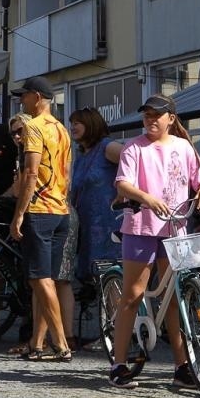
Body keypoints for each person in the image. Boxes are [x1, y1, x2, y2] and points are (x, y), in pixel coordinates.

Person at [106, 95, 200, 389]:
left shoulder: (184, 147)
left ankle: (181, 365)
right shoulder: (133, 148)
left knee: (175, 298)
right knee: (133, 295)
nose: (151, 120)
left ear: (170, 118)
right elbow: (123, 183)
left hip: (176, 228)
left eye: (157, 115)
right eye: (147, 115)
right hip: (141, 227)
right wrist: (147, 198)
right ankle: (119, 364)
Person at [9, 76, 75, 361]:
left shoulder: (33, 128)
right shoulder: (62, 130)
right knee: (44, 280)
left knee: (40, 279)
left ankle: (60, 344)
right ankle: (37, 343)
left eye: (24, 96)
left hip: (39, 210)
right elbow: (68, 174)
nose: (21, 100)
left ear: (37, 97)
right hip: (61, 210)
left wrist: (19, 214)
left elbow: (31, 174)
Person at [68, 107, 123, 299]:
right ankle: (110, 326)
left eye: (77, 123)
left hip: (110, 225)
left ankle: (122, 327)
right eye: (71, 123)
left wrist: (126, 190)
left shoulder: (107, 147)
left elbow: (135, 162)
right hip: (88, 227)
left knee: (112, 278)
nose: (72, 127)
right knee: (99, 281)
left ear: (91, 124)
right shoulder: (81, 156)